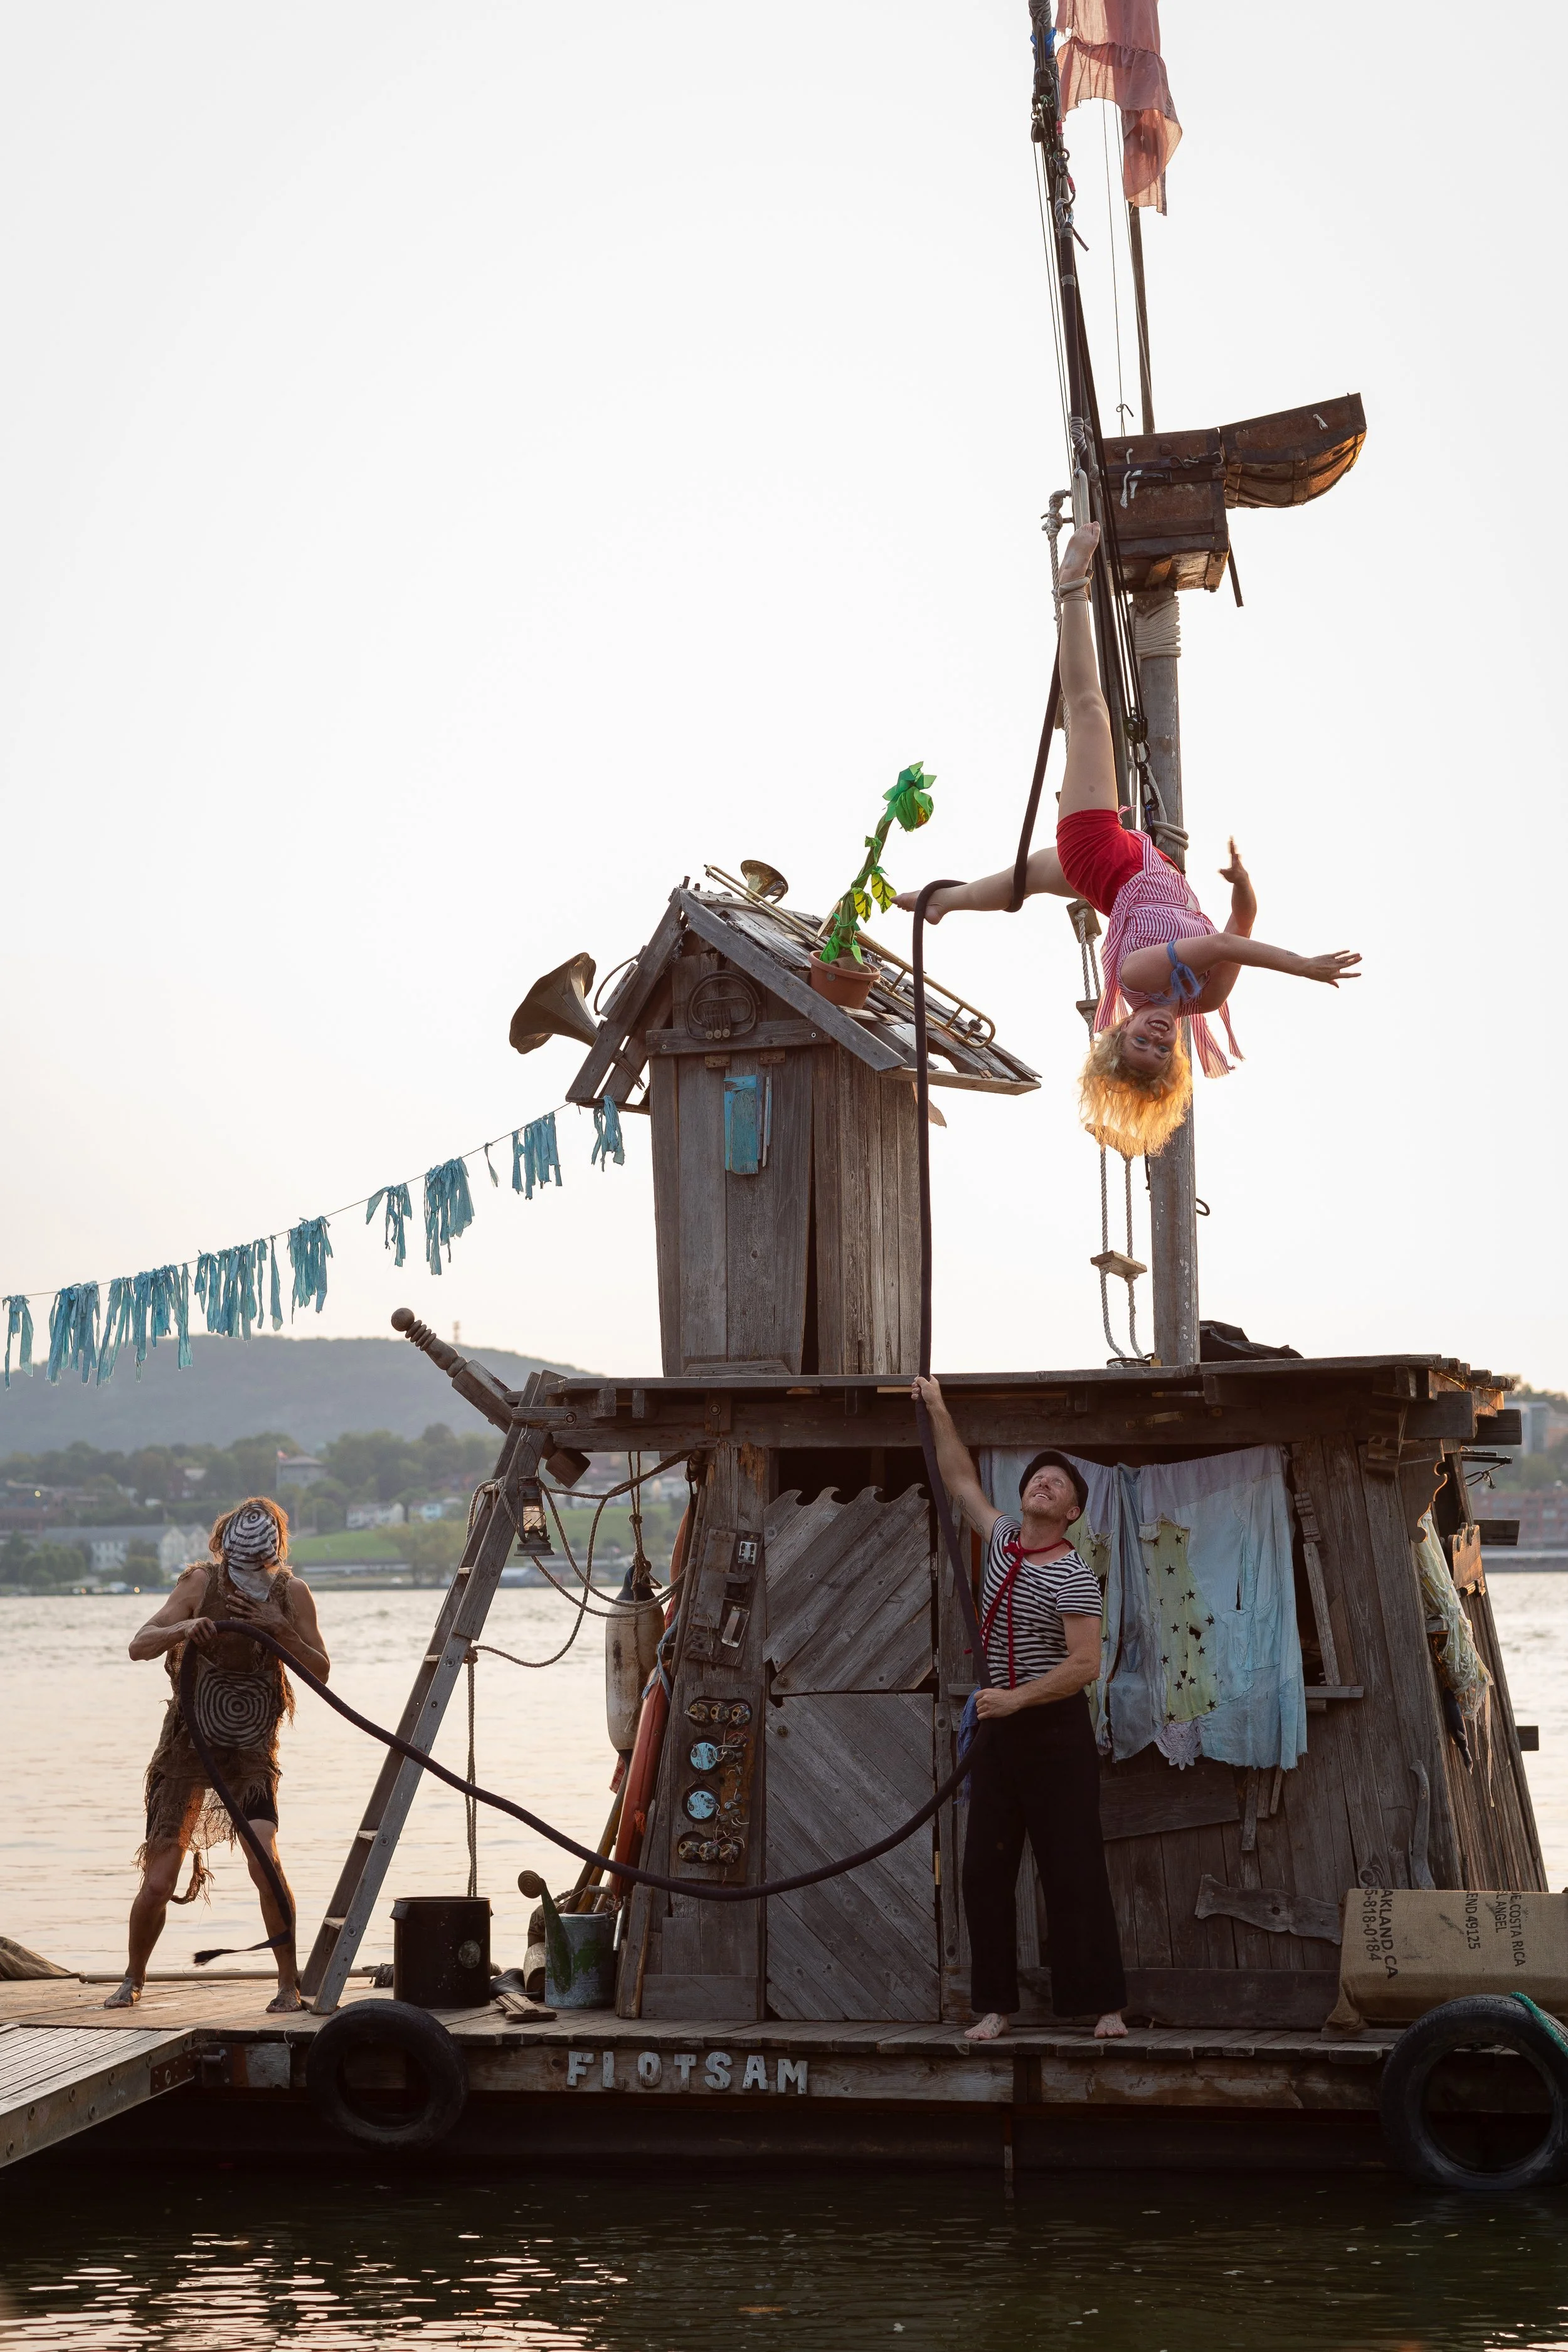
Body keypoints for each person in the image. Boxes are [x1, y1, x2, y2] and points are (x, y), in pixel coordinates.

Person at [896, 522, 1360, 1158]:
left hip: (1100, 852)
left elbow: (1223, 944)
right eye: (1161, 1050)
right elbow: (1240, 926)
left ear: (1120, 1032)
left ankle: (1071, 586)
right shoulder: (1205, 997)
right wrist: (1244, 885)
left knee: (1089, 712)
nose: (1156, 1035)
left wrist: (1303, 967)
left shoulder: (1140, 977)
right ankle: (941, 902)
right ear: (1175, 1057)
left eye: (1140, 1040)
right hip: (1114, 876)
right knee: (1016, 884)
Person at [913, 1373, 1127, 2042]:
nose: (1044, 1482)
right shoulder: (1003, 1540)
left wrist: (1016, 1698)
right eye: (1038, 1476)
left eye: (1058, 1483)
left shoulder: (1074, 1576)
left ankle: (1104, 2006)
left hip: (1055, 1734)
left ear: (1071, 1512)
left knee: (1073, 1870)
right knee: (984, 1872)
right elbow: (959, 1480)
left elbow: (1085, 1667)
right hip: (999, 1736)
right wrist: (937, 1406)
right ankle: (994, 2008)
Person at [105, 1498, 329, 2015]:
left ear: (275, 1554)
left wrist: (279, 1626)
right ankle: (133, 1978)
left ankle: (288, 1984)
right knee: (159, 1879)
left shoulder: (292, 1593)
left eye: (258, 1567)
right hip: (188, 1746)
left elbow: (320, 1670)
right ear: (223, 1550)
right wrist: (184, 1629)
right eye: (240, 1566)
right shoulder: (200, 1583)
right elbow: (140, 1645)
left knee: (265, 1862)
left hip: (251, 1750)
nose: (248, 1577)